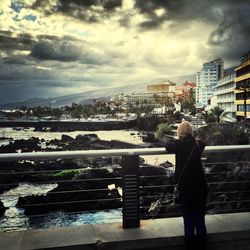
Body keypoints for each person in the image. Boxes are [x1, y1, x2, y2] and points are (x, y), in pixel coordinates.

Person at [165, 121, 207, 250]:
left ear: (180, 132)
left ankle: (190, 247)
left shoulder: (178, 145)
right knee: (200, 219)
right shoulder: (198, 144)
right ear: (191, 131)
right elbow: (202, 142)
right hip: (200, 187)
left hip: (185, 188)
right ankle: (202, 246)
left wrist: (176, 139)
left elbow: (167, 145)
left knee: (188, 220)